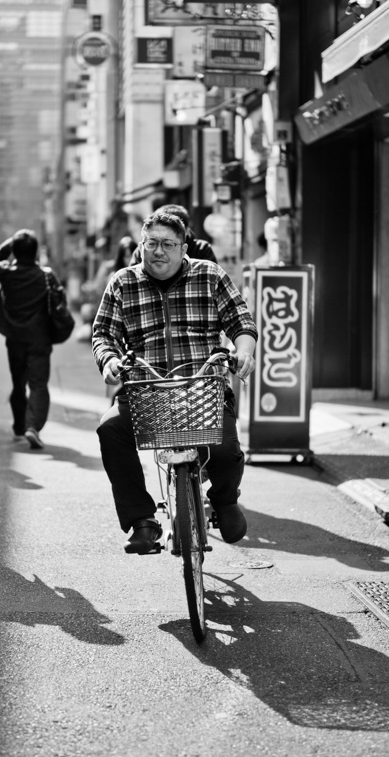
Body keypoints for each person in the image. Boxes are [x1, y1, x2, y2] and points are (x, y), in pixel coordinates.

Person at [93, 211, 257, 554]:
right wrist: (109, 361)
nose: (159, 251)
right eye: (151, 243)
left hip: (203, 391)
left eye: (168, 244)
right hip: (145, 392)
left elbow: (241, 321)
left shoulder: (209, 275)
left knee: (227, 451)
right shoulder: (123, 282)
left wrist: (243, 352)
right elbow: (104, 334)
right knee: (109, 429)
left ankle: (225, 502)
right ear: (141, 245)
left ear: (184, 248)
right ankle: (142, 520)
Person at [0, 229, 59, 450]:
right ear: (36, 251)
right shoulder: (46, 275)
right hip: (39, 340)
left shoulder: (7, 272)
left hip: (15, 339)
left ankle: (20, 425)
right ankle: (32, 427)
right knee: (38, 384)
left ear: (15, 251)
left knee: (18, 383)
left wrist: (10, 244)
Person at [129, 203, 217, 265]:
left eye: (168, 244)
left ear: (186, 230)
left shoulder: (201, 249)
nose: (159, 252)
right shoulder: (144, 250)